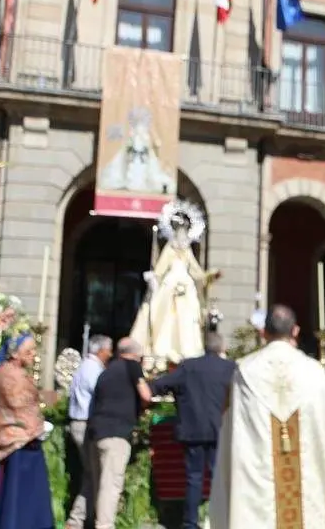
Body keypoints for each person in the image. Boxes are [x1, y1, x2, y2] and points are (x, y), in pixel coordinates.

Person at [207, 305, 325, 529]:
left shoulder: (245, 372)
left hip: (258, 490)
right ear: (295, 331)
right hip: (309, 491)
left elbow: (233, 433)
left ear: (263, 332)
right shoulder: (314, 372)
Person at [151, 333, 236, 529]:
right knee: (218, 478)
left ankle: (190, 522)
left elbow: (160, 385)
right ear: (222, 348)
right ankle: (221, 519)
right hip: (219, 430)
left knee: (194, 478)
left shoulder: (188, 367)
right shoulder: (230, 368)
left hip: (192, 431)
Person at [0, 333, 54, 529]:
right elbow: (19, 407)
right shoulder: (12, 375)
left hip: (17, 441)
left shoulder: (8, 371)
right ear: (15, 353)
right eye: (29, 351)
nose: (33, 355)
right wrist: (39, 427)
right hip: (15, 444)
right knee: (15, 499)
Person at [130, 200, 221, 368]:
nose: (182, 236)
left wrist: (210, 275)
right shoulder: (170, 249)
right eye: (180, 231)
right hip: (169, 286)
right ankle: (162, 352)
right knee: (165, 318)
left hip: (186, 287)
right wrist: (153, 278)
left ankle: (188, 352)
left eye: (184, 231)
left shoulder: (187, 251)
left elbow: (196, 271)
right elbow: (160, 269)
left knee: (188, 318)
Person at [88, 338, 152, 529]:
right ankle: (104, 525)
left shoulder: (106, 370)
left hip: (96, 433)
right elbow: (146, 395)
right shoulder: (132, 366)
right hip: (116, 433)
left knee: (99, 483)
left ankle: (96, 522)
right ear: (136, 355)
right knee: (111, 485)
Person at [65, 334, 113, 529]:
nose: (110, 354)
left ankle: (82, 518)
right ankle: (77, 519)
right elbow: (101, 394)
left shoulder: (86, 366)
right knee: (94, 474)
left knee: (91, 473)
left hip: (80, 422)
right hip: (85, 423)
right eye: (109, 350)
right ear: (101, 350)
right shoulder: (93, 369)